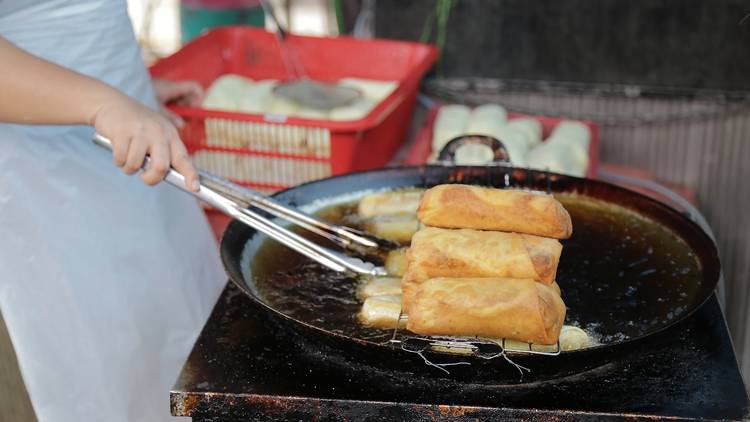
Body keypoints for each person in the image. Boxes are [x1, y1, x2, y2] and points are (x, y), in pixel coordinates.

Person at [0, 1, 226, 421]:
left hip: (128, 154)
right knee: (114, 368)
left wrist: (129, 84)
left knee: (183, 346)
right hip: (49, 183)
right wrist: (105, 102)